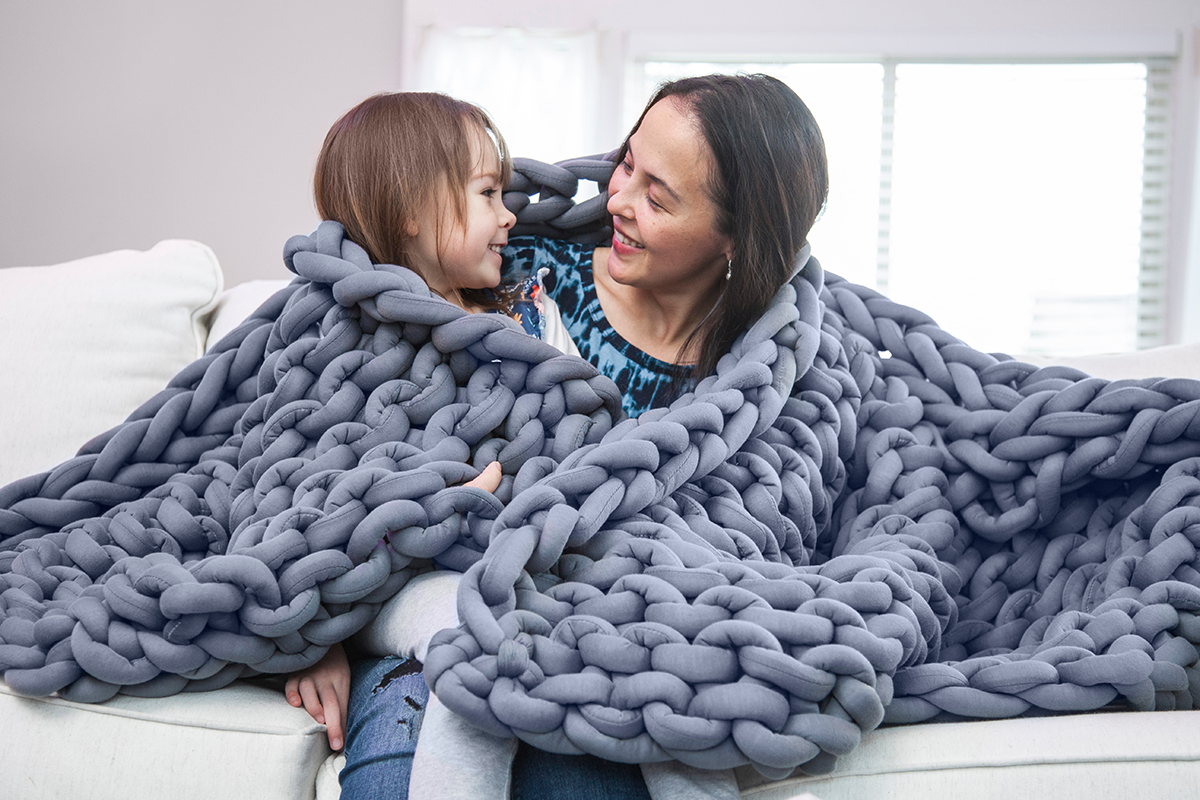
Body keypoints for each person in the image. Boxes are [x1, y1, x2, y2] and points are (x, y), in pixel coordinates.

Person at [340, 72, 828, 800]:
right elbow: (337, 421)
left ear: (733, 238)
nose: (616, 201)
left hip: (619, 619)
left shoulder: (777, 364)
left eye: (658, 196)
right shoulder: (511, 280)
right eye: (625, 163)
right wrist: (305, 632)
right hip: (464, 596)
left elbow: (781, 530)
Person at [281, 90, 580, 800]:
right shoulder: (342, 330)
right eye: (486, 194)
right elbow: (295, 493)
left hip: (526, 563)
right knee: (466, 625)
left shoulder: (530, 315)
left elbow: (585, 431)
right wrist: (311, 635)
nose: (509, 215)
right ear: (412, 207)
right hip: (399, 583)